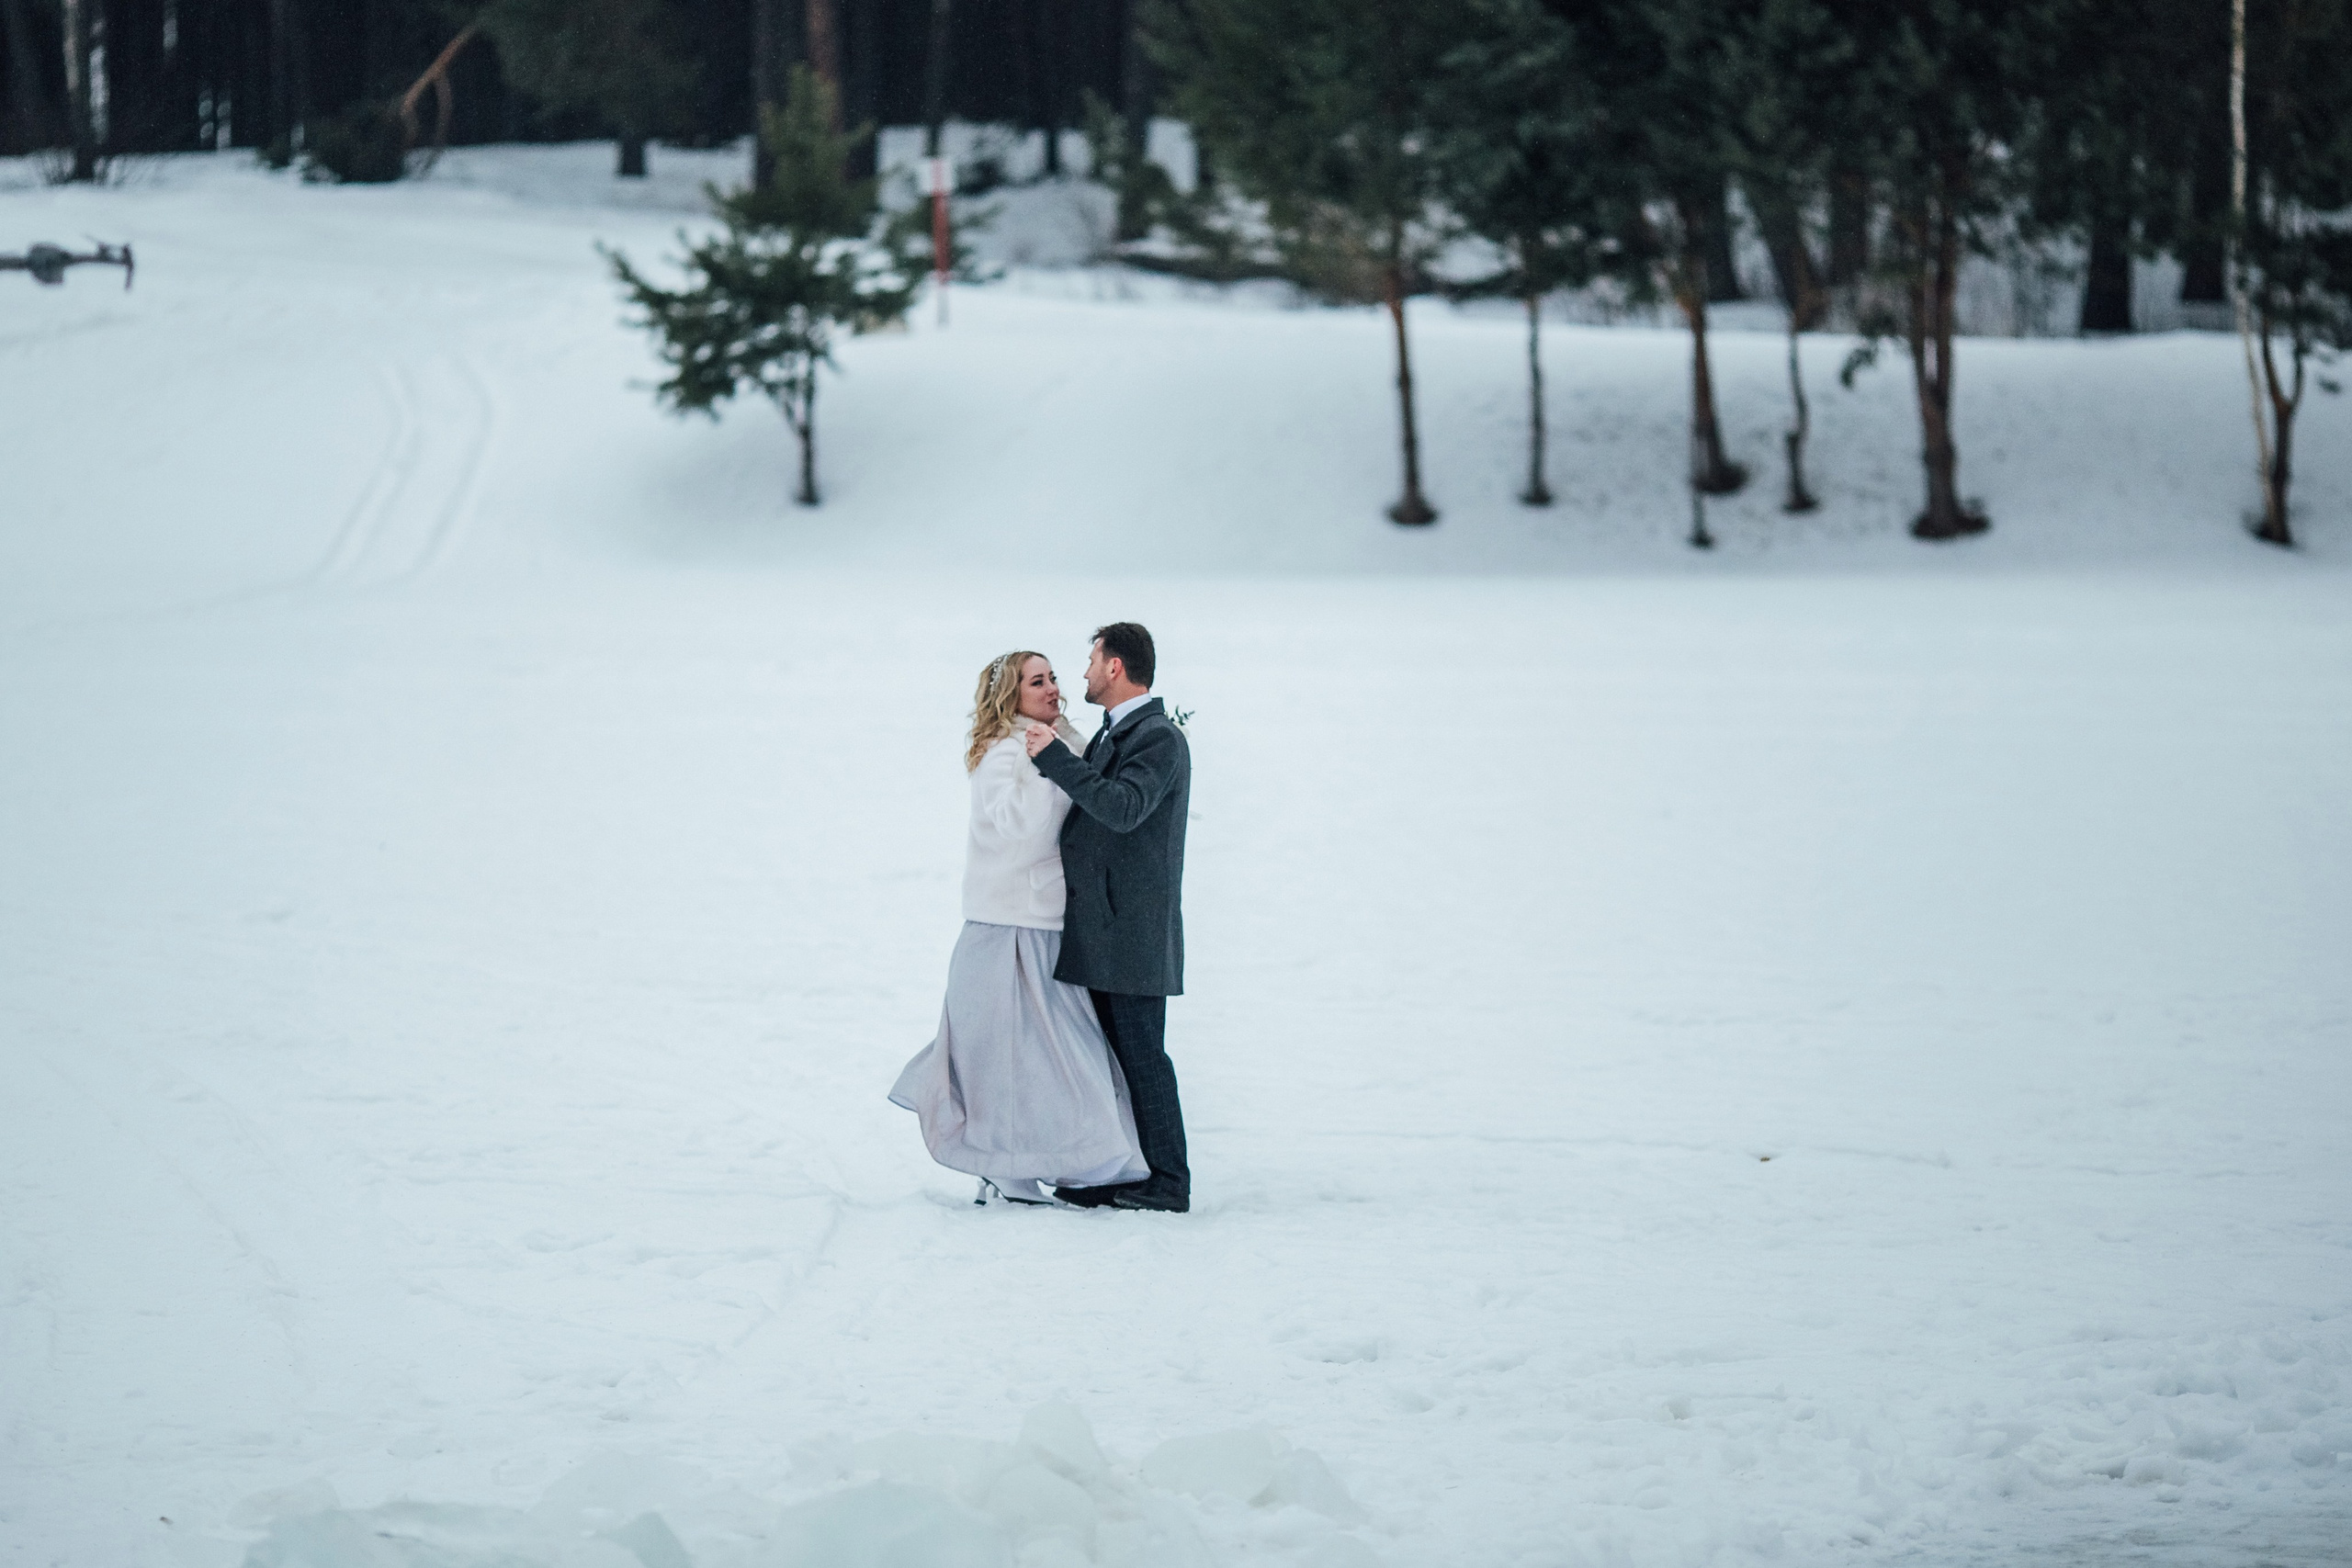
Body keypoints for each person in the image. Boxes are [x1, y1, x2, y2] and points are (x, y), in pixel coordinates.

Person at [889, 651, 1149, 1205]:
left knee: (1055, 1060)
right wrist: (1052, 766)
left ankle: (1069, 1164)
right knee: (1009, 1062)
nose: (1053, 688)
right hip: (1008, 928)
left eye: (1053, 677)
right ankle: (1008, 1171)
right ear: (1012, 697)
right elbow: (1024, 832)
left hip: (1047, 924)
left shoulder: (1061, 741)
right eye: (1037, 682)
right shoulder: (1005, 752)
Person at [1023, 622, 1193, 1213]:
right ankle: (1124, 1171)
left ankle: (1168, 1181)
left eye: (1092, 661)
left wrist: (1052, 758)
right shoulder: (1116, 732)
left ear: (1115, 666)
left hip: (1133, 931)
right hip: (1106, 928)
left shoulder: (1158, 738)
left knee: (1142, 1058)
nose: (1085, 673)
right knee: (1111, 1061)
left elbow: (1123, 808)